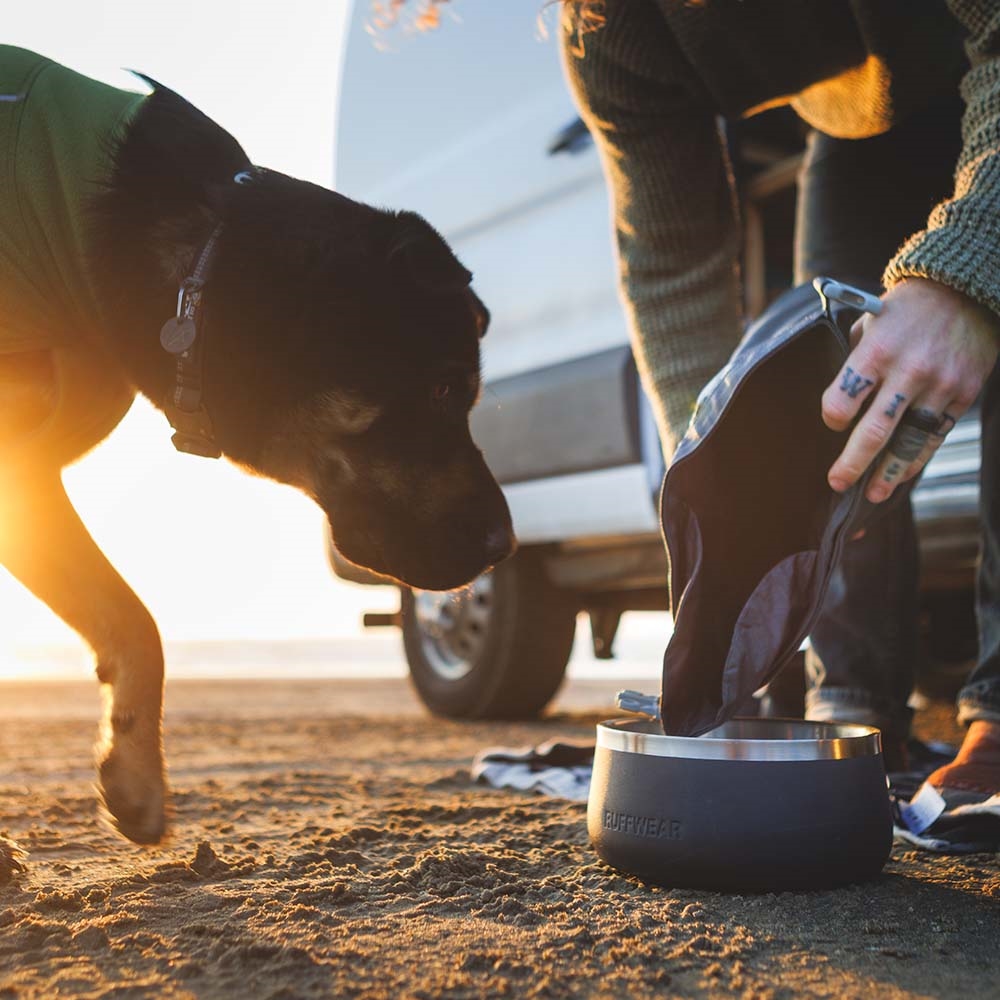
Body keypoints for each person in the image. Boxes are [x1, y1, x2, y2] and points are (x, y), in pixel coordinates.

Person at [556, 0, 1000, 805]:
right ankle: (853, 717)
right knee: (836, 394)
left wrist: (970, 270)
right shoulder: (608, 28)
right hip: (865, 124)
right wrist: (715, 474)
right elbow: (671, 268)